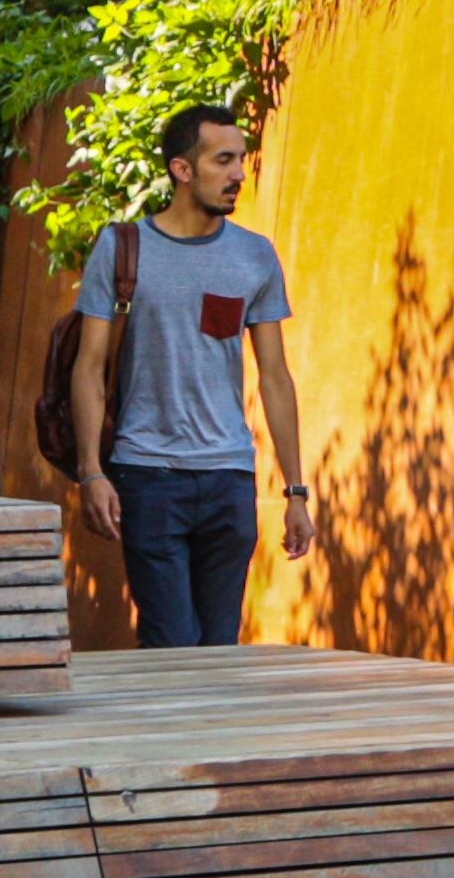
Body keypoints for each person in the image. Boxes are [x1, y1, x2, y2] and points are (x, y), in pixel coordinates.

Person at [65, 103, 316, 648]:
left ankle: (210, 736)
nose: (238, 174)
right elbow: (87, 367)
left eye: (241, 159)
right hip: (147, 475)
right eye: (223, 160)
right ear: (183, 169)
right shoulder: (123, 247)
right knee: (172, 643)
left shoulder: (254, 255)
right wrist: (91, 472)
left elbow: (275, 376)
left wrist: (296, 490)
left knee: (219, 646)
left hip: (229, 479)